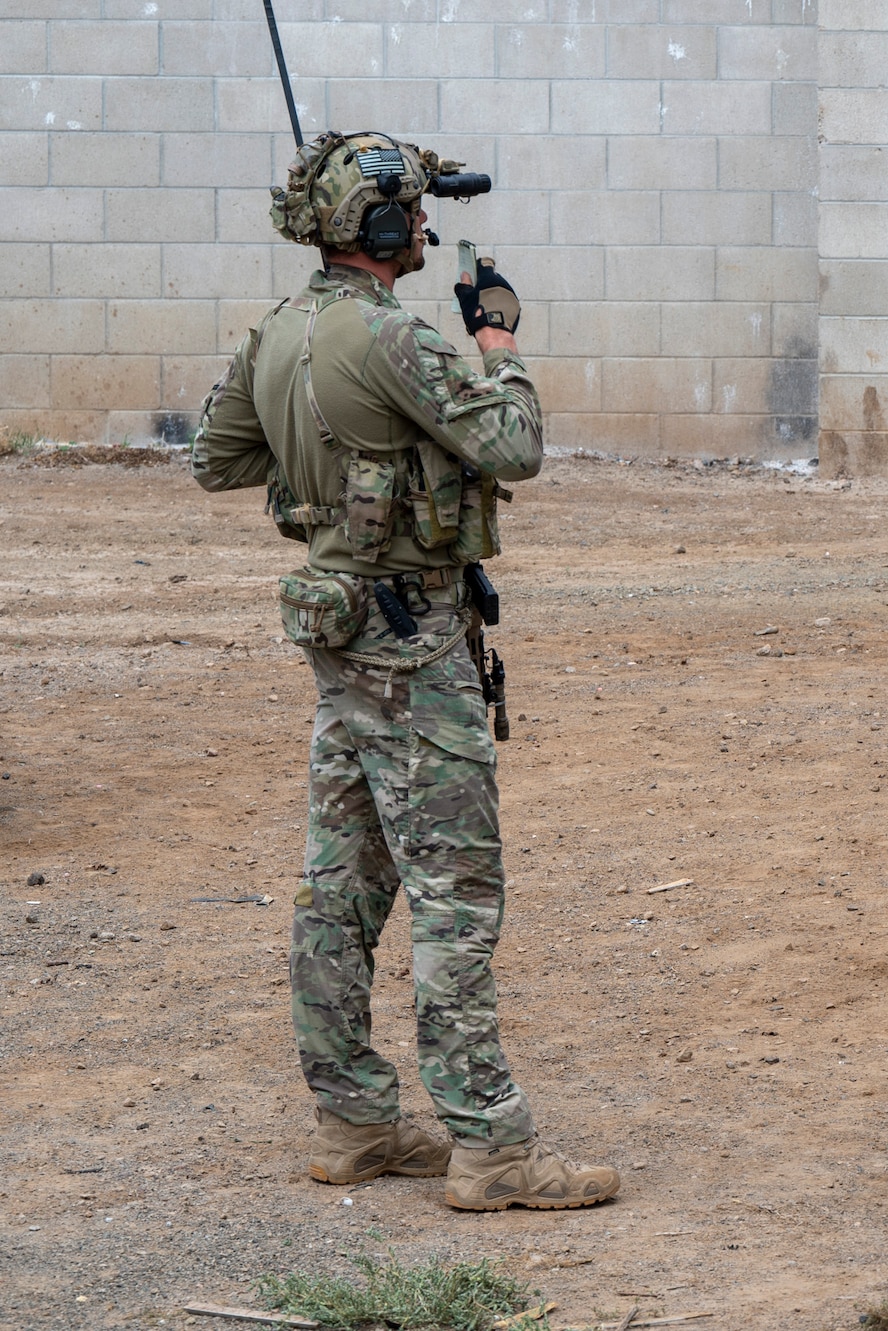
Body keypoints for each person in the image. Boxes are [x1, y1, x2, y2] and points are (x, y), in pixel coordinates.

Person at [191, 130, 618, 1211]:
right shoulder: (395, 339)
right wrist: (498, 341)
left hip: (337, 639)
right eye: (415, 216)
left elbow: (216, 459)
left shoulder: (276, 333)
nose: (425, 229)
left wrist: (325, 469)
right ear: (379, 229)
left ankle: (354, 1119)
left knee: (340, 885)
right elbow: (512, 444)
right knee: (454, 896)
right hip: (413, 644)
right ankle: (490, 1147)